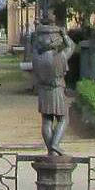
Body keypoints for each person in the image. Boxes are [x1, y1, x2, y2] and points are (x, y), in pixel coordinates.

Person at [32, 22, 73, 154]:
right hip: (57, 89)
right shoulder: (59, 57)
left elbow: (34, 46)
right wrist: (65, 35)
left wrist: (36, 34)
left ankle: (51, 151)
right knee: (63, 119)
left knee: (46, 120)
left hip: (43, 91)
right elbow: (71, 46)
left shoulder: (37, 58)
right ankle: (55, 144)